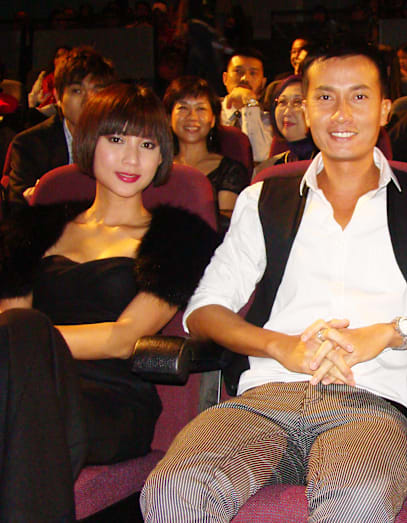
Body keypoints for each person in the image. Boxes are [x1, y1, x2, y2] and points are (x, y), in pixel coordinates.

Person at [140, 44, 407, 522]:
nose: (341, 114)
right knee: (173, 492)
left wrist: (389, 333)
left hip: (369, 404)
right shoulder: (265, 198)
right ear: (306, 108)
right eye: (324, 97)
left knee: (355, 498)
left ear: (384, 109)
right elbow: (204, 310)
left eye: (358, 97)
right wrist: (280, 346)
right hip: (264, 398)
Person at [0, 83, 217, 521]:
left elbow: (124, 338)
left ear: (162, 157)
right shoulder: (34, 227)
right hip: (26, 387)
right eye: (116, 139)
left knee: (23, 337)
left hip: (111, 404)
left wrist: (38, 342)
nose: (131, 159)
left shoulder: (178, 238)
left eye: (147, 145)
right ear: (88, 143)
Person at [7, 46, 115, 213]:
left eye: (98, 91)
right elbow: (17, 212)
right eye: (77, 91)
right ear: (58, 97)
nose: (89, 100)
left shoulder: (124, 141)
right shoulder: (29, 145)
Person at [163, 76, 249, 220]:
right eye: (183, 108)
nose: (192, 116)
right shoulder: (156, 167)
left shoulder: (230, 171)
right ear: (168, 118)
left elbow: (225, 224)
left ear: (213, 120)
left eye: (200, 109)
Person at [254, 75, 317, 176]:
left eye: (297, 102)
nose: (287, 112)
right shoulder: (267, 169)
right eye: (282, 102)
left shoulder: (331, 164)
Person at [219, 49, 273, 163]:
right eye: (238, 71)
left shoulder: (270, 121)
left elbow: (258, 157)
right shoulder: (209, 114)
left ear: (263, 83)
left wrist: (250, 102)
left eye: (253, 73)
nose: (245, 78)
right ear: (225, 78)